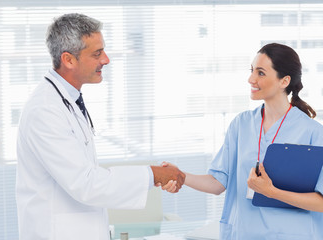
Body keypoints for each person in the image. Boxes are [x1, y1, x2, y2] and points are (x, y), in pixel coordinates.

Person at [16, 13, 185, 240]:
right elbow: (86, 183)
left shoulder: (67, 101)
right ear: (68, 60)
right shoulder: (44, 111)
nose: (106, 59)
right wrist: (153, 175)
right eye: (97, 54)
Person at [162, 43, 323, 239]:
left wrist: (271, 192)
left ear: (284, 81)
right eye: (252, 70)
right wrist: (180, 176)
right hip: (245, 233)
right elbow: (218, 182)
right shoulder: (241, 124)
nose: (251, 79)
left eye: (261, 73)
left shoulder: (312, 132)